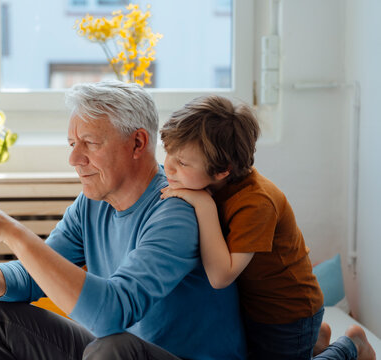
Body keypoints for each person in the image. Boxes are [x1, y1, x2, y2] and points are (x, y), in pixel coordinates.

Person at [0, 80, 247, 360]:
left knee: (111, 348)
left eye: (90, 143)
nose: (74, 158)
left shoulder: (175, 211)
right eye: (73, 143)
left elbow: (113, 315)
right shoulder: (92, 203)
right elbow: (34, 277)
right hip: (115, 351)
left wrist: (10, 230)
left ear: (137, 143)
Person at [159, 95, 376, 360]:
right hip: (256, 308)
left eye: (181, 163)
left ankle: (352, 345)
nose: (167, 165)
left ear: (222, 171)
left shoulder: (255, 203)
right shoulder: (210, 182)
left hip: (287, 313)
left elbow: (220, 277)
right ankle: (315, 341)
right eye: (168, 151)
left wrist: (202, 205)